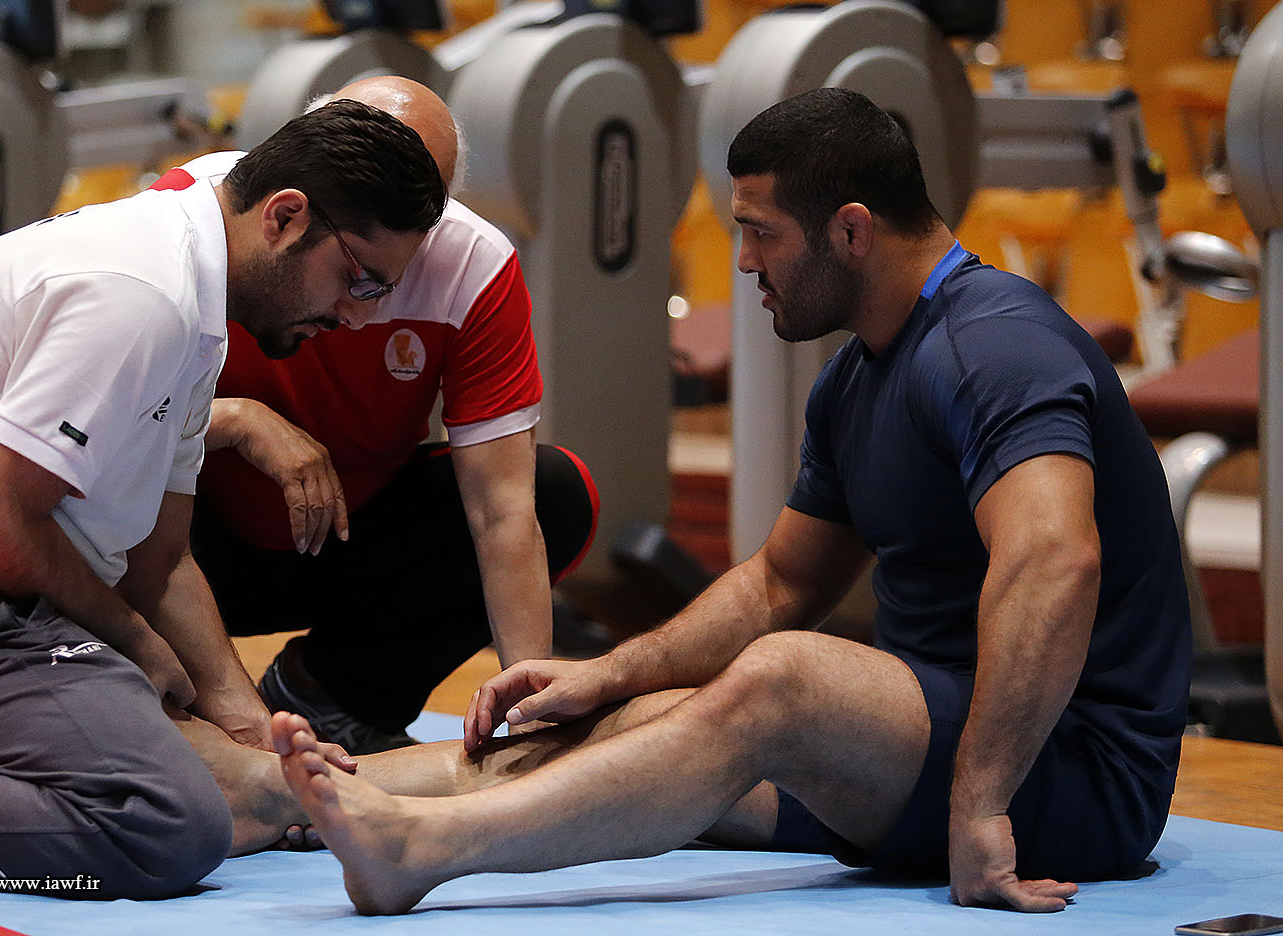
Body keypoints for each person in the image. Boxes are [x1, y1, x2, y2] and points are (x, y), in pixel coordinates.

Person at [267, 87, 1194, 915]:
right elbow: (778, 584)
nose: (744, 262)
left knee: (786, 681)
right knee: (629, 723)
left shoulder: (996, 347)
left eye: (761, 232)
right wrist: (609, 675)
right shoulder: (855, 381)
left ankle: (423, 849)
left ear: (852, 230)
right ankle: (268, 798)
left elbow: (1054, 558)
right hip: (927, 755)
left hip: (1068, 772)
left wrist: (985, 805)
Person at [0, 100, 447, 898]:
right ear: (284, 217)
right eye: (358, 278)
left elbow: (159, 559)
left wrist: (249, 726)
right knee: (170, 823)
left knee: (245, 788)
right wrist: (135, 644)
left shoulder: (198, 297)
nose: (356, 313)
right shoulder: (141, 292)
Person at [174, 76, 599, 754]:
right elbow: (106, 430)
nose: (356, 310)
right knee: (112, 491)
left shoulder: (472, 262)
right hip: (190, 539)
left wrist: (531, 716)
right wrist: (239, 421)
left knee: (554, 493)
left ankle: (329, 695)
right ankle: (162, 701)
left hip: (345, 543)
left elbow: (504, 511)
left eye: (416, 201)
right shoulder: (199, 214)